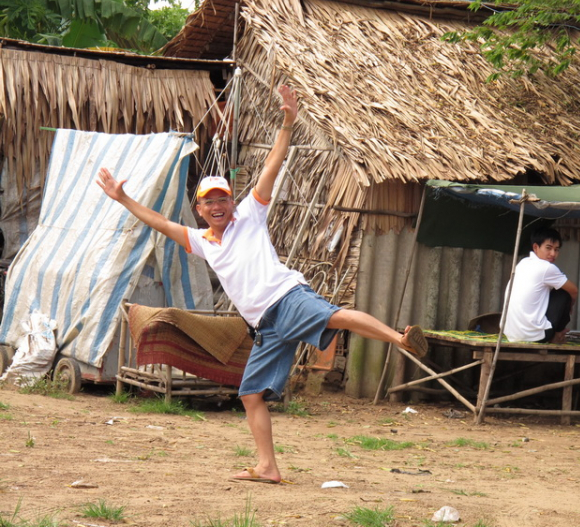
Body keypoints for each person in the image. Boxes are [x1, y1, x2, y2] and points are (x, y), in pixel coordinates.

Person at [98, 84, 427, 483]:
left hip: (286, 298)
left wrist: (287, 123)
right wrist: (123, 200)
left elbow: (272, 164)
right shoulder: (202, 242)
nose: (218, 206)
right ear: (200, 209)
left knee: (337, 317)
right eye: (209, 202)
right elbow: (162, 224)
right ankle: (267, 467)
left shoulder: (251, 215)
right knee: (251, 395)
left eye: (224, 199)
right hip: (265, 327)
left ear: (232, 202)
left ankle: (399, 338)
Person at [504, 227, 578, 343]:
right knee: (564, 293)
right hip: (534, 336)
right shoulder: (547, 268)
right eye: (548, 248)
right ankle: (557, 335)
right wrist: (570, 306)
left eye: (556, 250)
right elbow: (574, 290)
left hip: (511, 335)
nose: (553, 253)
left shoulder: (523, 263)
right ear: (536, 247)